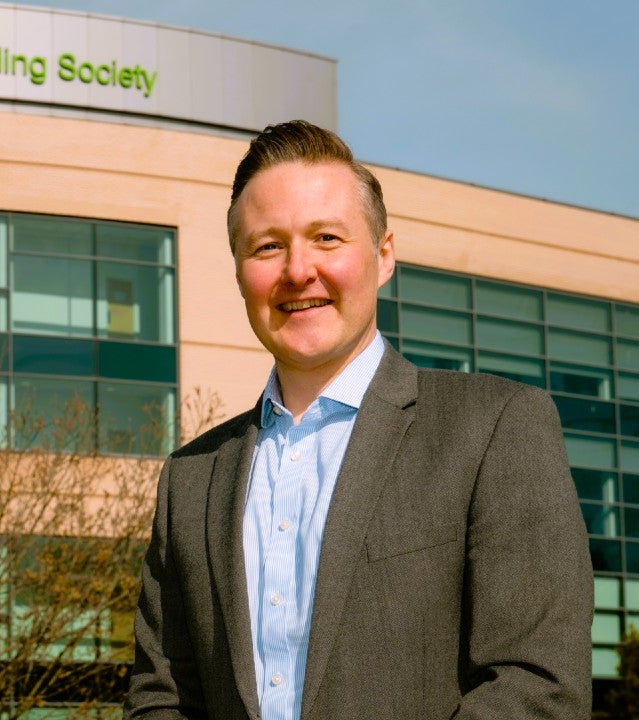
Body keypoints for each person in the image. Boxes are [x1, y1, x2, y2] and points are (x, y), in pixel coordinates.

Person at [124, 120, 592, 720]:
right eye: (267, 246)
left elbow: (538, 686)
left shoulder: (494, 428)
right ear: (239, 271)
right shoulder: (191, 479)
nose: (298, 270)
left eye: (326, 238)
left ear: (383, 254)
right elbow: (161, 698)